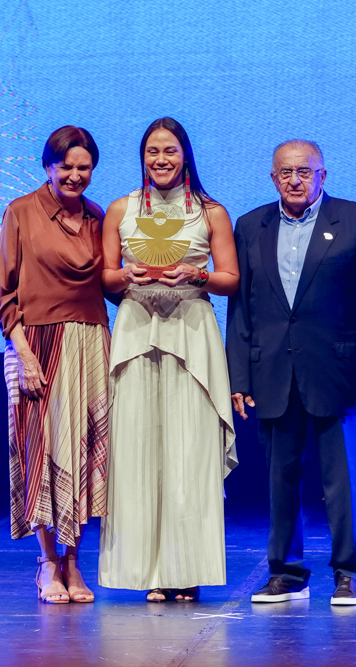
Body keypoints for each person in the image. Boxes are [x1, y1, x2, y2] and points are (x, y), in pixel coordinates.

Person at [226, 139, 356, 606]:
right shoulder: (250, 226)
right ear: (273, 177)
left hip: (338, 375)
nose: (295, 180)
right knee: (280, 480)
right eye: (285, 172)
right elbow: (241, 310)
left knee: (342, 482)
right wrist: (239, 377)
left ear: (323, 175)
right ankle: (286, 573)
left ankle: (348, 572)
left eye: (304, 171)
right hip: (273, 374)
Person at [98, 117, 239, 602]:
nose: (161, 159)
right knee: (138, 450)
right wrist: (126, 274)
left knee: (189, 454)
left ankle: (188, 568)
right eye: (153, 151)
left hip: (192, 332)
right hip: (137, 330)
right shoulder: (120, 208)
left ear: (186, 156)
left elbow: (231, 278)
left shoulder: (211, 212)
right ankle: (147, 572)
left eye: (170, 151)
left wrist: (195, 274)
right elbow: (105, 279)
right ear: (142, 157)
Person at [0, 126, 109, 604]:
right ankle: (47, 563)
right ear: (48, 167)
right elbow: (4, 294)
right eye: (66, 167)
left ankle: (75, 563)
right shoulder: (22, 211)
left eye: (84, 167)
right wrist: (23, 353)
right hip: (35, 342)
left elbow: (108, 283)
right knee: (40, 453)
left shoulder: (99, 216)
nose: (76, 175)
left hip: (90, 341)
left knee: (82, 454)